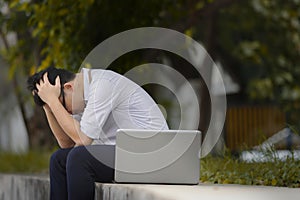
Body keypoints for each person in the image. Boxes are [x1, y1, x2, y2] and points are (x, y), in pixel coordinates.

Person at [27, 66, 168, 200]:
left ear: (68, 87)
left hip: (150, 154)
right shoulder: (78, 96)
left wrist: (53, 101)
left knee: (79, 158)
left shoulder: (102, 85)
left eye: (61, 105)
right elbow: (67, 143)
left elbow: (82, 140)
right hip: (126, 154)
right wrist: (48, 106)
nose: (64, 112)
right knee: (58, 159)